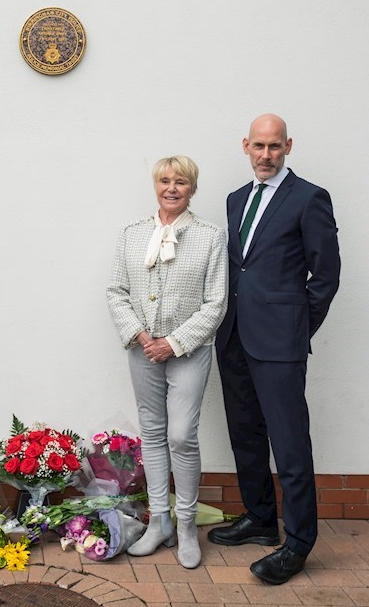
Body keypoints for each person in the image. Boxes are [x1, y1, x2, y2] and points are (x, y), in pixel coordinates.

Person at [208, 114, 340, 585]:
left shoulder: (309, 198)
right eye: (259, 146)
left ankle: (299, 543)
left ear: (288, 147)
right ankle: (260, 518)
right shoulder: (235, 199)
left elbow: (325, 276)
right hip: (235, 336)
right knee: (245, 433)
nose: (266, 155)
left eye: (275, 147)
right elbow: (239, 269)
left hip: (280, 341)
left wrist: (297, 328)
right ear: (245, 145)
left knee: (289, 442)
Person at [106, 156, 227, 569]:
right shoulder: (132, 233)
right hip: (142, 351)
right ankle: (160, 523)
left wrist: (173, 343)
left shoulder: (210, 236)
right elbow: (116, 291)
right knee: (153, 432)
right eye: (165, 181)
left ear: (192, 188)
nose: (172, 188)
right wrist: (142, 337)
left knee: (181, 435)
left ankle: (188, 525)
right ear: (155, 185)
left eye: (181, 182)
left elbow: (216, 303)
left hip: (188, 352)